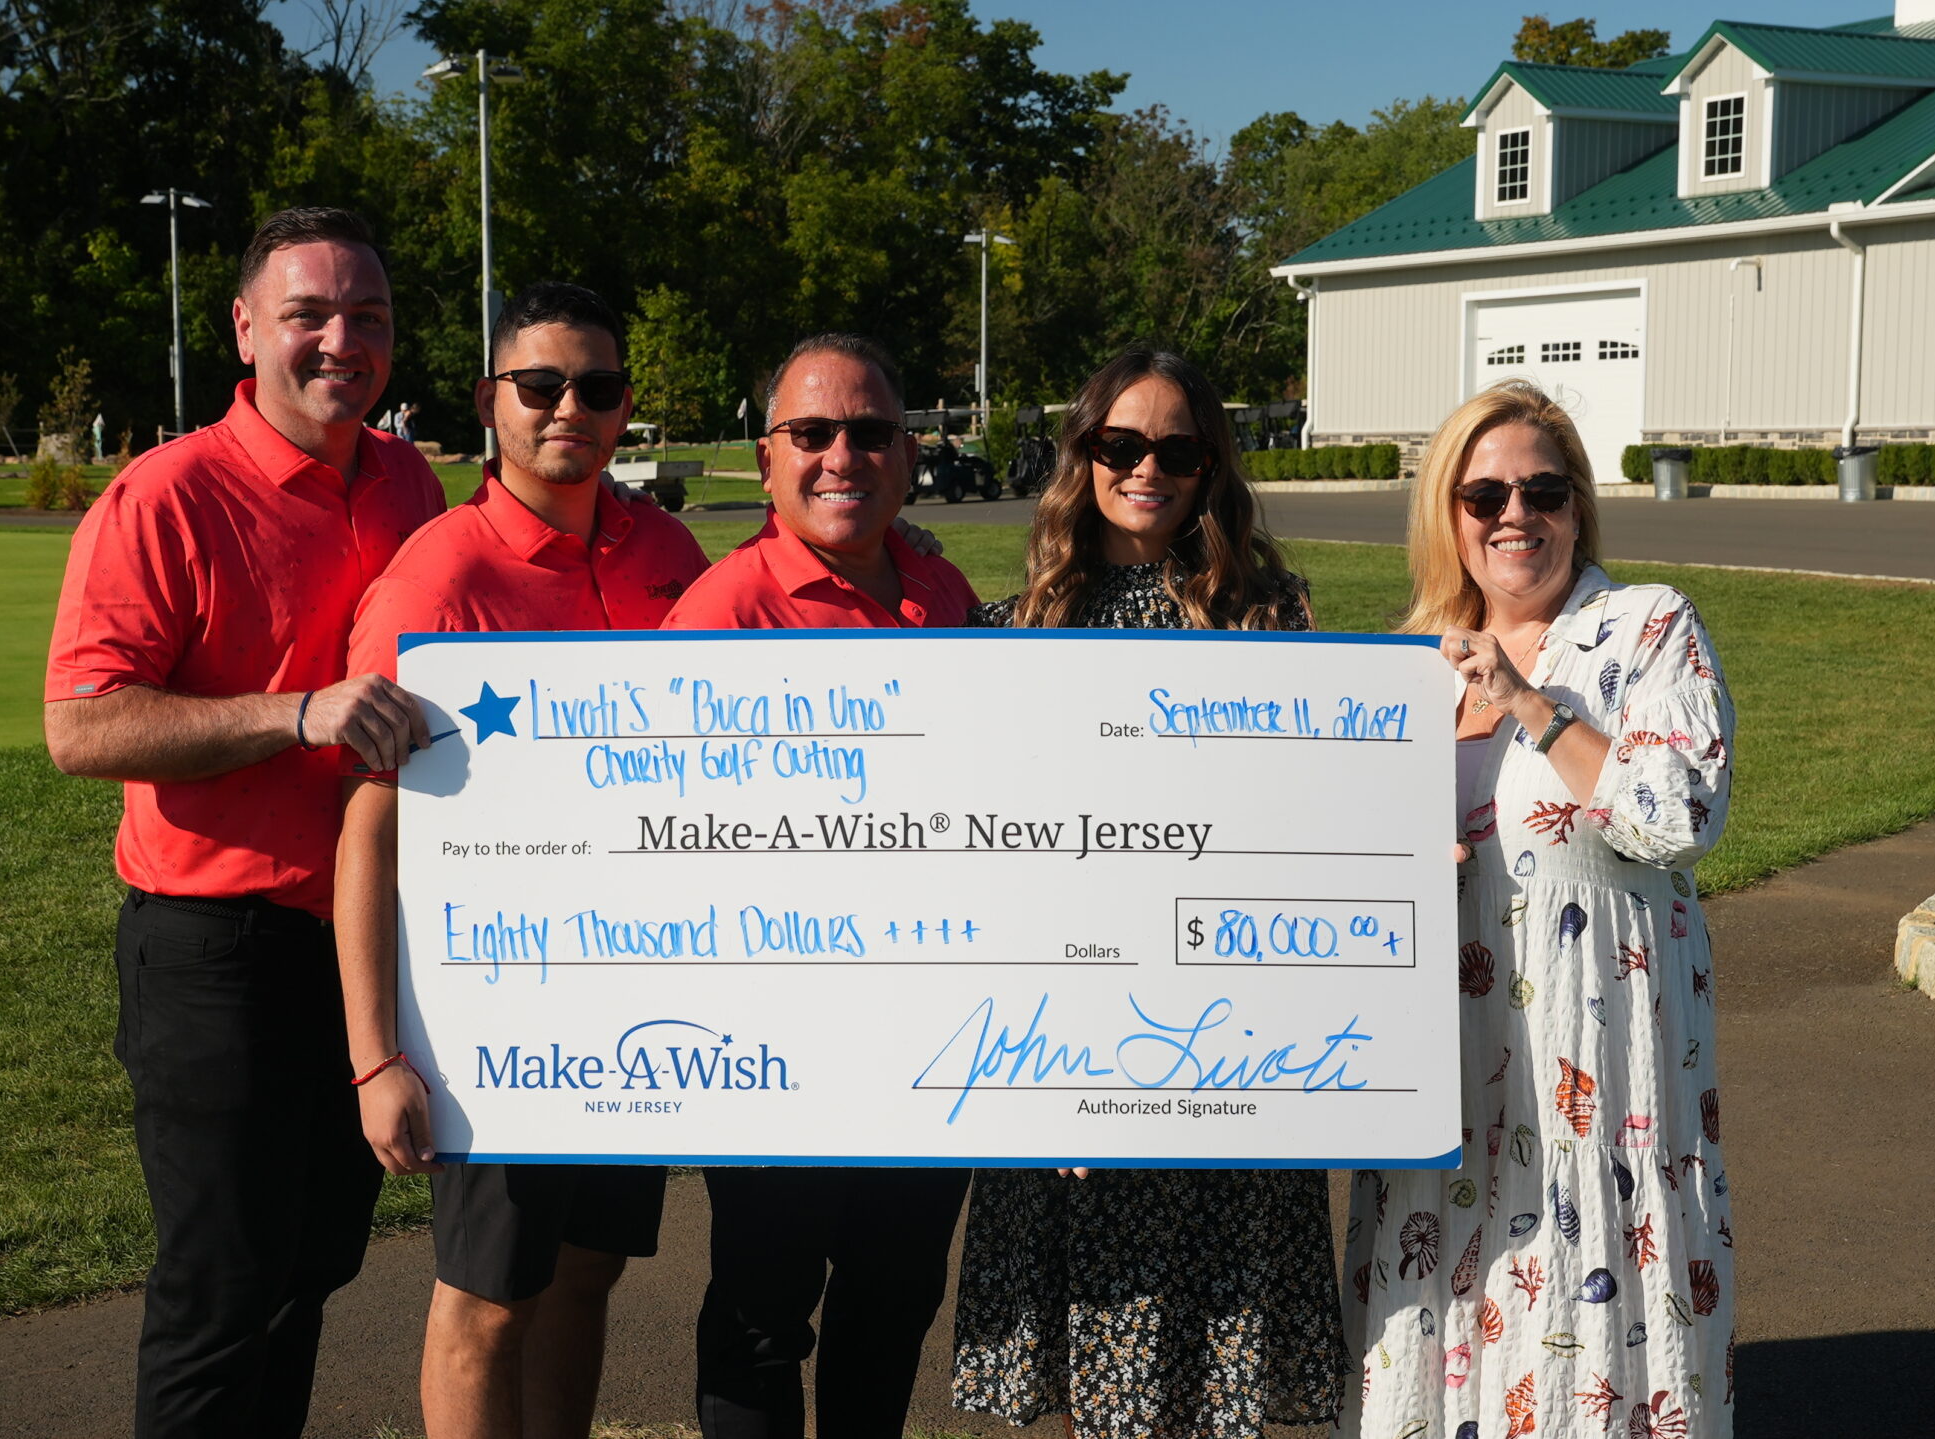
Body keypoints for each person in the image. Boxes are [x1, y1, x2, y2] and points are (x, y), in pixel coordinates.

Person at [43, 205, 444, 1438]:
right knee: (220, 1292)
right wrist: (298, 713)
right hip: (215, 949)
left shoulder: (408, 478)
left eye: (365, 317)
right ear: (244, 327)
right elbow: (81, 727)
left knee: (308, 1273)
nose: (341, 341)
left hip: (361, 948)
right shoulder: (165, 493)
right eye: (308, 314)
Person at [335, 281, 709, 1439]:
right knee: (489, 1296)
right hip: (492, 1001)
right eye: (539, 386)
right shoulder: (436, 577)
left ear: (625, 407)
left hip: (634, 984)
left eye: (595, 388)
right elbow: (368, 827)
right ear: (490, 400)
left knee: (589, 1268)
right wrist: (372, 1057)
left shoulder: (670, 553)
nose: (569, 410)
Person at [950, 348, 1347, 1438]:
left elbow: (1310, 818)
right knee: (1098, 1346)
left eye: (1178, 448)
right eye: (1121, 445)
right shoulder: (1005, 632)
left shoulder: (1269, 619)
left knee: (1216, 1358)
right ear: (1082, 455)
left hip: (1224, 1040)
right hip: (1061, 1046)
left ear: (1211, 463)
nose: (1148, 468)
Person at [1338, 380, 1736, 1437]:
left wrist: (1529, 701)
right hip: (1443, 1100)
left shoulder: (1644, 627)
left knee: (1579, 1346)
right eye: (1484, 494)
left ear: (1576, 503)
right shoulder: (1405, 666)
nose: (1514, 514)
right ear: (1448, 514)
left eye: (1542, 489)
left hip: (1589, 1097)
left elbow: (1678, 810)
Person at [662, 332, 979, 1439]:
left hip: (928, 1023)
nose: (841, 454)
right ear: (766, 457)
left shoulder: (943, 591)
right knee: (762, 1309)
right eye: (812, 432)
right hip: (773, 1036)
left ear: (905, 453)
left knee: (893, 1298)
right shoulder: (719, 610)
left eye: (870, 431)